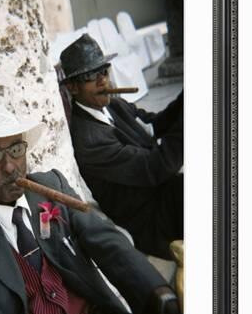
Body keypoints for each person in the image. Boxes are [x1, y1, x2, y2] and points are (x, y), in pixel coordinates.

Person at [0, 96, 181, 314]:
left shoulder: (52, 186)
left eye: (16, 149)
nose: (10, 167)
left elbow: (108, 242)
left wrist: (158, 292)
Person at [59, 33, 183, 261]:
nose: (102, 80)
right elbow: (156, 167)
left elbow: (154, 125)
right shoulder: (89, 141)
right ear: (73, 87)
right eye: (91, 75)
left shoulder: (114, 104)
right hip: (150, 221)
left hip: (166, 194)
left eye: (104, 71)